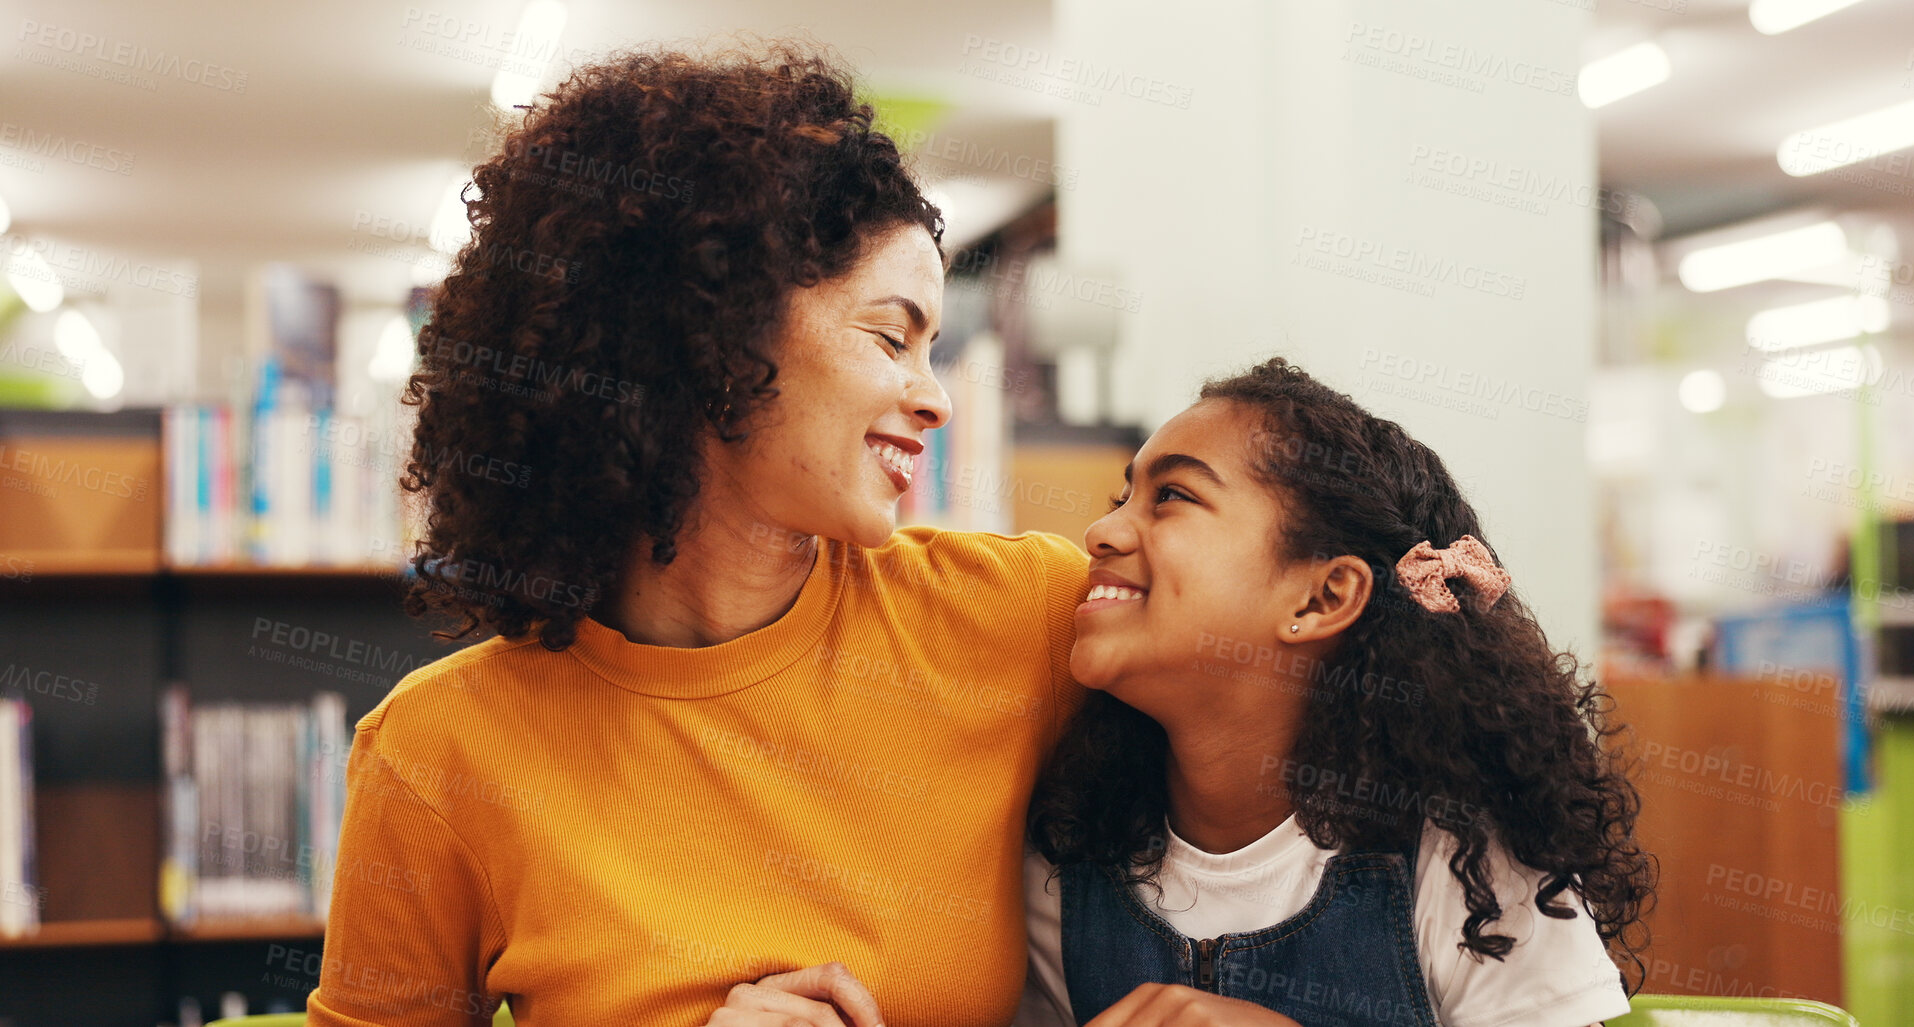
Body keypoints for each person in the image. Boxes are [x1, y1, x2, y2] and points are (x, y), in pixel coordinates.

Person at [306, 42, 1093, 1027]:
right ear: (714, 326)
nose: (932, 399)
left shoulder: (1022, 620)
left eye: (935, 348)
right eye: (891, 336)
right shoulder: (436, 756)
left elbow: (1304, 787)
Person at [1012, 358, 1656, 1027]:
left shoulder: (1467, 857)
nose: (1101, 531)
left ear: (1322, 596)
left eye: (1171, 496)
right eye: (1121, 500)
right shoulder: (1065, 856)